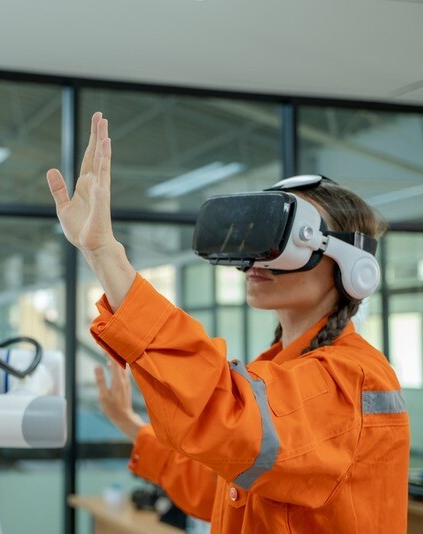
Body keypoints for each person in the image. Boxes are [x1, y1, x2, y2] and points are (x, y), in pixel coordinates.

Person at [46, 111, 410, 533]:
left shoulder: (351, 378)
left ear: (350, 263)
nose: (258, 259)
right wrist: (130, 423)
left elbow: (229, 421)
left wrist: (105, 254)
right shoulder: (278, 372)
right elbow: (221, 482)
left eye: (286, 241)